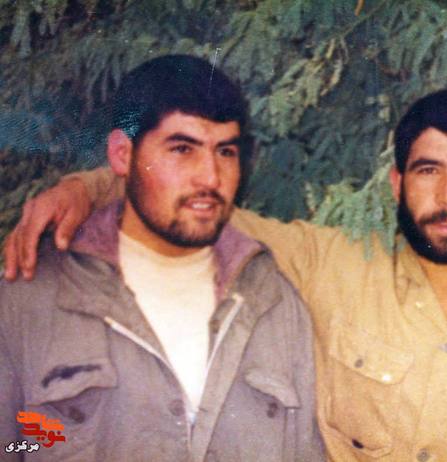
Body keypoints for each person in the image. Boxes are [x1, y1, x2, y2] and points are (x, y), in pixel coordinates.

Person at [4, 89, 447, 461]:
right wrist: (85, 188)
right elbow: (197, 202)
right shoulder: (330, 266)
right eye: (428, 171)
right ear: (397, 184)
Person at [0, 55, 322, 461]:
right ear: (122, 155)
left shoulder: (273, 302)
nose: (210, 177)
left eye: (225, 152)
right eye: (182, 149)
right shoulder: (30, 301)